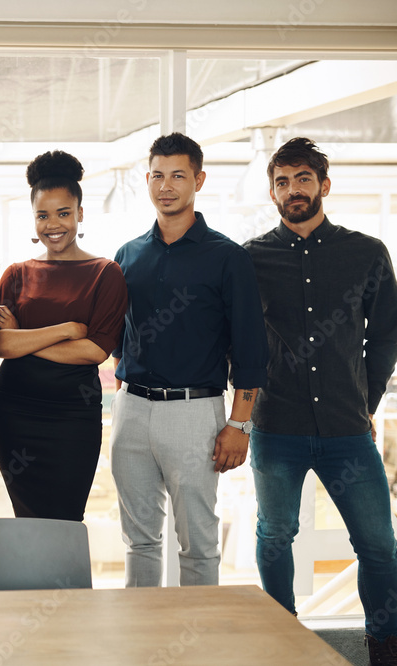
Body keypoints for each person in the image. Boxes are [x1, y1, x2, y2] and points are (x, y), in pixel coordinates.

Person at [243, 137, 397, 665]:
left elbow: (384, 339)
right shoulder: (250, 259)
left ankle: (385, 644)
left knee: (378, 545)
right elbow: (236, 339)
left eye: (303, 179)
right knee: (274, 535)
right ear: (272, 192)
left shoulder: (367, 253)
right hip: (276, 425)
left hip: (346, 429)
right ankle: (281, 639)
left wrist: (366, 402)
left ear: (323, 185)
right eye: (282, 182)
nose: (293, 190)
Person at [111, 132, 268, 587]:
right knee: (138, 540)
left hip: (195, 412)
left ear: (198, 180)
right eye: (158, 175)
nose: (166, 185)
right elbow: (121, 337)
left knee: (197, 544)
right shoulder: (128, 255)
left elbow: (251, 350)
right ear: (147, 180)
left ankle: (198, 652)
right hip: (132, 410)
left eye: (178, 175)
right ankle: (143, 646)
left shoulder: (227, 258)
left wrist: (239, 426)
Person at [0, 150, 127, 522]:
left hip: (72, 416)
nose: (54, 224)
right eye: (43, 215)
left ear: (80, 213)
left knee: (66, 520)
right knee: (28, 521)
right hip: (14, 414)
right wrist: (65, 331)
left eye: (64, 213)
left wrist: (25, 339)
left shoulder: (105, 273)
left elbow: (96, 350)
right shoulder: (16, 274)